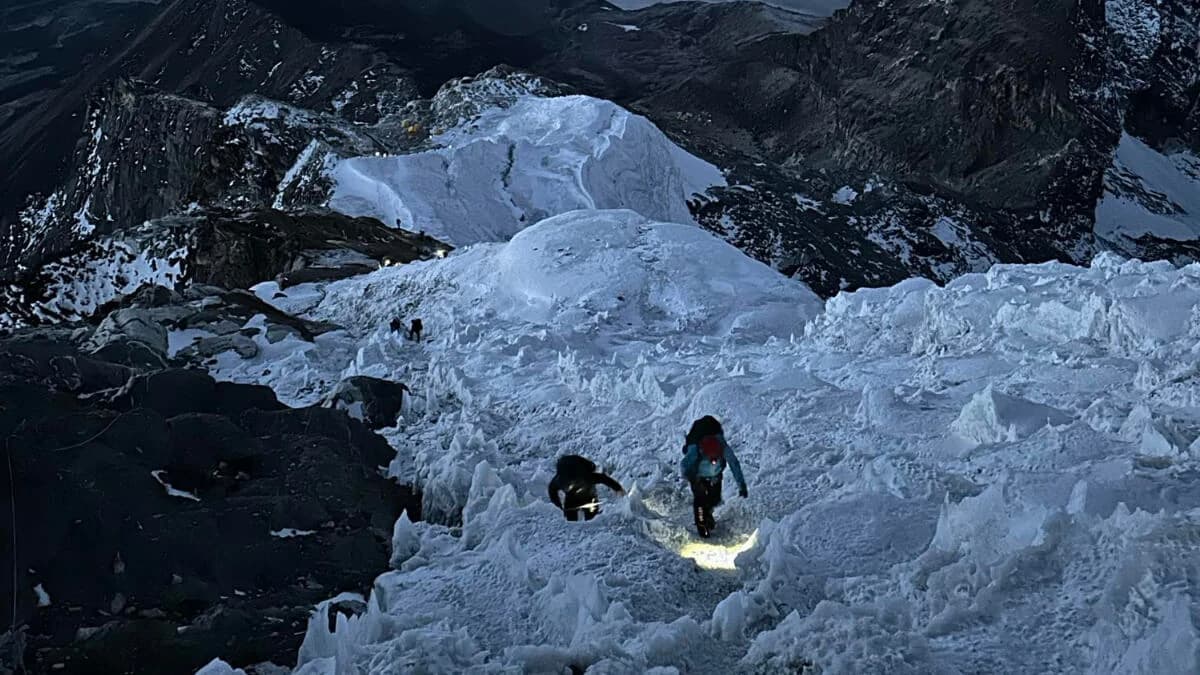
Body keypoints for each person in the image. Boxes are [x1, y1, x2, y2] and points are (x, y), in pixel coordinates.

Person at [681, 415, 747, 538]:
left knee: (714, 499)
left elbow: (734, 464)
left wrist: (741, 485)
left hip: (716, 476)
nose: (713, 460)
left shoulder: (722, 445)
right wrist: (692, 479)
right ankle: (702, 527)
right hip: (697, 476)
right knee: (700, 500)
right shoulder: (695, 450)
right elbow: (684, 465)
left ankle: (708, 515)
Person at [548, 455, 625, 521]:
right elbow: (552, 492)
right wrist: (559, 506)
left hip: (584, 487)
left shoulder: (586, 476)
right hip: (575, 488)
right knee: (573, 515)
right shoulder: (560, 480)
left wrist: (619, 489)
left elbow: (603, 478)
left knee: (590, 517)